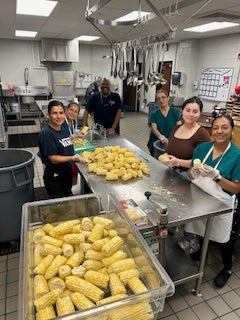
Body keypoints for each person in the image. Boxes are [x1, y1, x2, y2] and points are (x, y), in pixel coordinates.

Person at [186, 115, 240, 288]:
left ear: (232, 130)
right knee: (201, 228)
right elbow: (189, 173)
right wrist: (193, 171)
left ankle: (227, 268)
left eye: (224, 127)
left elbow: (235, 188)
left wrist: (216, 177)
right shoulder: (203, 149)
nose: (219, 131)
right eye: (215, 127)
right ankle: (202, 253)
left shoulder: (237, 155)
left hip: (222, 203)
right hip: (201, 199)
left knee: (224, 239)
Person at [38, 100, 87, 199]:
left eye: (61, 113)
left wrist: (76, 135)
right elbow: (53, 158)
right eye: (54, 113)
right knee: (58, 206)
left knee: (67, 198)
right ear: (48, 115)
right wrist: (73, 157)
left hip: (66, 173)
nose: (58, 116)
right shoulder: (46, 134)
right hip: (55, 176)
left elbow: (64, 140)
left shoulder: (62, 128)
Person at [159, 96, 211, 178]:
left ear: (200, 114)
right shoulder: (176, 128)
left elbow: (204, 162)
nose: (191, 114)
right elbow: (170, 150)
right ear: (182, 111)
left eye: (195, 111)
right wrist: (165, 156)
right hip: (171, 172)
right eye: (187, 110)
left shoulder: (202, 134)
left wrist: (178, 162)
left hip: (188, 177)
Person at [147, 90, 182, 156]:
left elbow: (179, 127)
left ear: (168, 98)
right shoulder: (155, 113)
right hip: (156, 142)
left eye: (163, 97)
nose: (161, 100)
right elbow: (154, 129)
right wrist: (161, 137)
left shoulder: (175, 111)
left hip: (170, 142)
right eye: (158, 98)